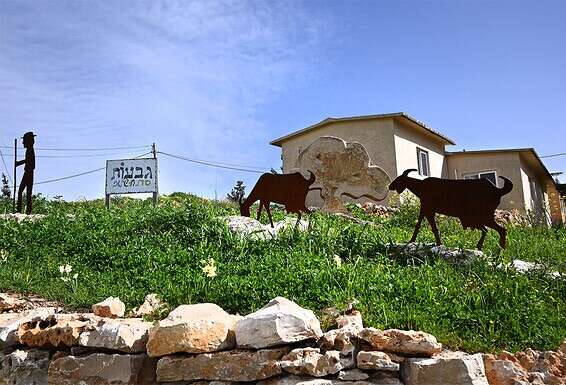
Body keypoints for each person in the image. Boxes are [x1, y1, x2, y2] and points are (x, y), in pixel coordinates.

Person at [16, 131, 36, 214]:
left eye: (24, 140)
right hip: (28, 172)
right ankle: (26, 210)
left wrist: (18, 163)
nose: (23, 142)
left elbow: (29, 160)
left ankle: (22, 210)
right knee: (27, 192)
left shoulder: (30, 150)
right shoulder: (29, 149)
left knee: (22, 191)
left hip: (28, 172)